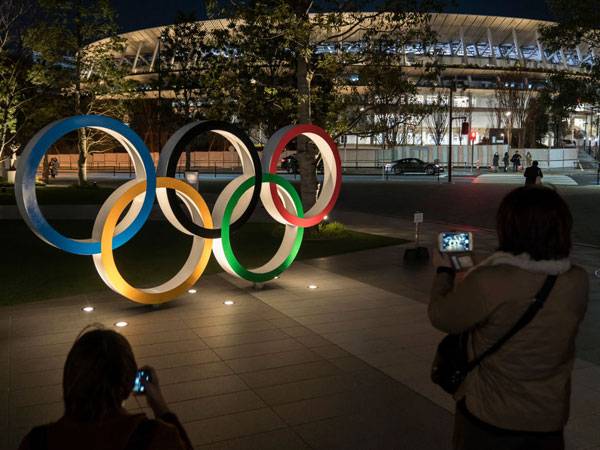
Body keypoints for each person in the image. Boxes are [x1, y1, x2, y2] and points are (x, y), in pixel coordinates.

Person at [429, 186, 588, 450]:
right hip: (548, 418)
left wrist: (445, 272)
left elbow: (441, 316)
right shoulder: (577, 280)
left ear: (509, 226)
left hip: (490, 417)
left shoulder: (490, 280)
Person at [19, 326, 193, 450]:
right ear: (128, 382)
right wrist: (160, 406)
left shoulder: (36, 442)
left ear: (70, 378)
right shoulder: (157, 438)